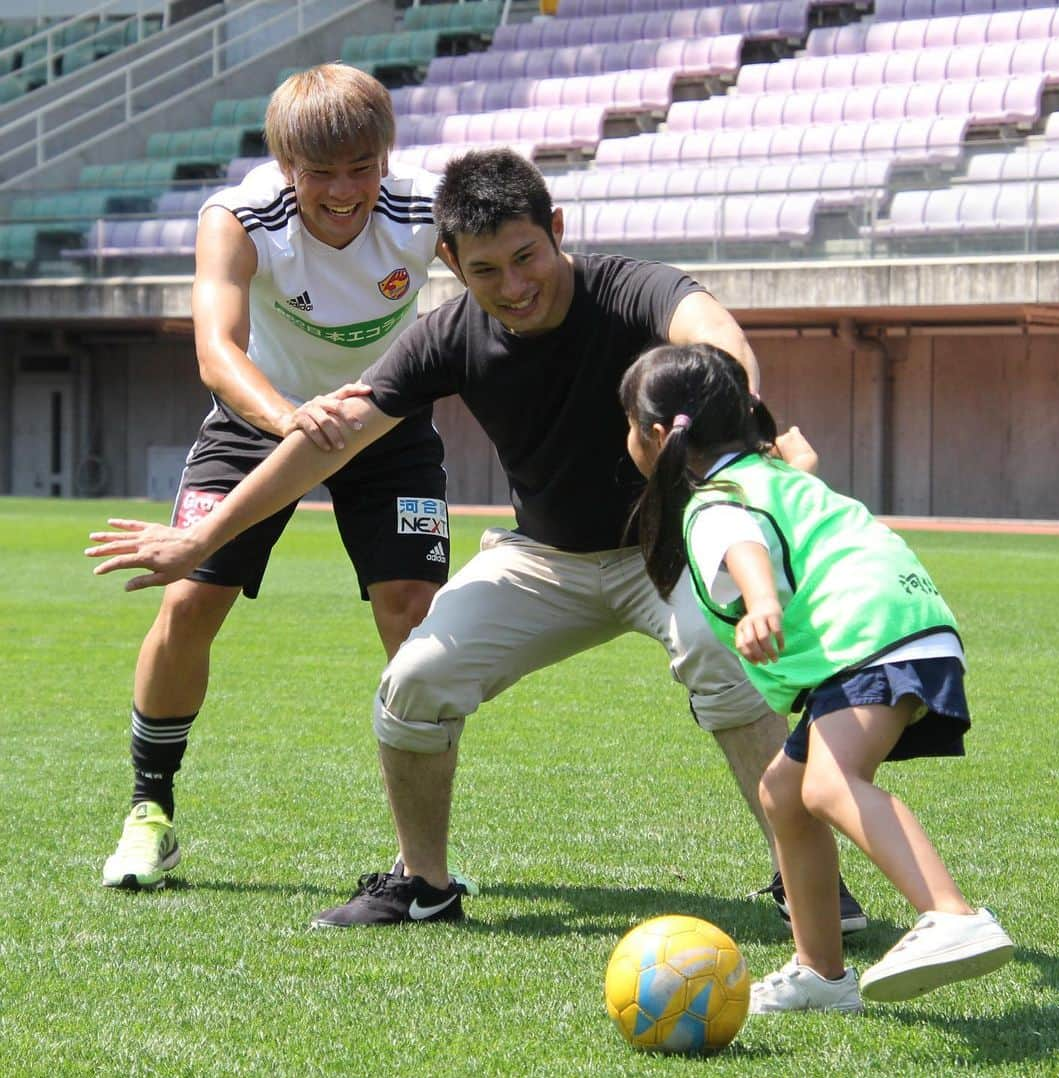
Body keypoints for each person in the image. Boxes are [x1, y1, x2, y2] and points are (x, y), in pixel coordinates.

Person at [87, 148, 864, 933]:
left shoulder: (630, 288)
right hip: (544, 564)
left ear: (556, 230)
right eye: (487, 270)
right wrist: (199, 542)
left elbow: (711, 331)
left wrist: (739, 408)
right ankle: (424, 884)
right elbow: (331, 439)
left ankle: (809, 881)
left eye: (528, 256)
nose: (515, 286)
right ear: (452, 263)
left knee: (725, 657)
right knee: (416, 677)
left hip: (664, 555)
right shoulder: (447, 335)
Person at [100, 64, 455, 891]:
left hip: (386, 422)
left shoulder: (425, 208)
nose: (343, 191)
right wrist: (286, 416)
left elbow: (515, 284)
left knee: (413, 616)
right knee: (188, 597)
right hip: (259, 415)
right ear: (286, 163)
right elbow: (217, 350)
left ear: (386, 156)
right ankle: (150, 810)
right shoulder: (238, 217)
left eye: (362, 167)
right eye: (320, 172)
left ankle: (419, 851)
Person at [618, 341, 1014, 1012]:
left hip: (868, 639)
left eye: (627, 425)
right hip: (904, 624)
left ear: (659, 436)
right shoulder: (774, 474)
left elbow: (742, 543)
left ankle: (950, 914)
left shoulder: (713, 503)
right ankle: (821, 972)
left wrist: (762, 602)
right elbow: (780, 499)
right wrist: (797, 464)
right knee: (784, 793)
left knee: (830, 785)